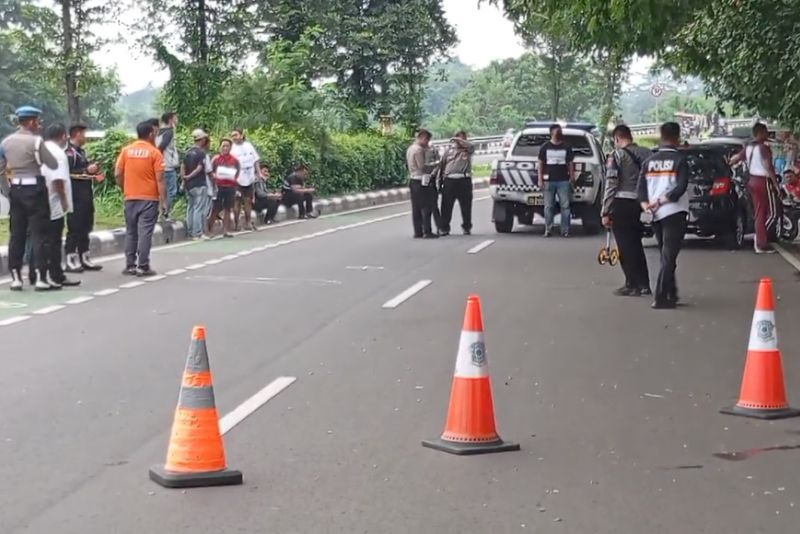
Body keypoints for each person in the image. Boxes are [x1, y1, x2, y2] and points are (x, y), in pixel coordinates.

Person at [0, 106, 59, 291]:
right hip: (35, 189)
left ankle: (16, 277)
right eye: (38, 121)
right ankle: (41, 277)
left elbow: (1, 169)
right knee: (39, 234)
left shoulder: (6, 142)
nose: (39, 124)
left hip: (15, 190)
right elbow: (52, 163)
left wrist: (7, 190)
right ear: (32, 122)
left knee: (16, 234)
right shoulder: (36, 141)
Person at [637, 122, 690, 310]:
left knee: (666, 255)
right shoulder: (680, 160)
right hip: (674, 212)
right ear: (676, 137)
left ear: (661, 136)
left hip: (655, 215)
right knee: (669, 256)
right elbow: (680, 187)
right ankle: (660, 297)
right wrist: (661, 201)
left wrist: (647, 206)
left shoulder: (649, 161)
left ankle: (671, 293)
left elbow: (640, 190)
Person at [602, 124, 652, 297]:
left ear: (617, 138)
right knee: (636, 244)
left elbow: (611, 184)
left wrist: (605, 211)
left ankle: (631, 284)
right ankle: (644, 283)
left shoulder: (617, 156)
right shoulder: (647, 153)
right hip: (640, 203)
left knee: (624, 245)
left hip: (622, 202)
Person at [115, 120, 166, 276]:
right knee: (145, 232)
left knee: (131, 232)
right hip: (149, 199)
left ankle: (130, 265)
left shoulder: (126, 151)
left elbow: (117, 173)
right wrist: (163, 201)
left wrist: (125, 188)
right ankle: (143, 266)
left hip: (130, 197)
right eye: (155, 133)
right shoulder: (155, 153)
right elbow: (160, 179)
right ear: (151, 134)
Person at [38, 123, 80, 288]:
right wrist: (64, 202)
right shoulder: (58, 154)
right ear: (63, 136)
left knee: (40, 239)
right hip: (53, 202)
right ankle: (56, 275)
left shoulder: (39, 150)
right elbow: (58, 181)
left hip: (37, 200)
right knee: (54, 240)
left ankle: (40, 274)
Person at [729, 123, 781, 253]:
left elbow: (735, 159)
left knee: (759, 212)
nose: (767, 134)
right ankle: (760, 239)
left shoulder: (748, 147)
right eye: (766, 132)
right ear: (760, 133)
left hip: (751, 180)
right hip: (763, 181)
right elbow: (768, 167)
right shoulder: (763, 148)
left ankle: (759, 240)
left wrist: (729, 162)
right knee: (773, 213)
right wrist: (776, 185)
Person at [64, 123, 103, 273]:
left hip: (86, 194)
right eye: (84, 134)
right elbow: (68, 172)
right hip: (75, 196)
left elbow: (85, 170)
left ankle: (84, 255)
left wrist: (93, 170)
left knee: (86, 226)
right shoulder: (69, 153)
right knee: (75, 227)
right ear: (77, 134)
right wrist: (86, 170)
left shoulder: (81, 152)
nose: (85, 137)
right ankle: (70, 257)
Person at [538, 124, 575, 237]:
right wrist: (540, 179)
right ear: (551, 133)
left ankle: (565, 230)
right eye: (556, 132)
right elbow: (540, 164)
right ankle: (548, 229)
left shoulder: (567, 147)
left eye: (559, 131)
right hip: (549, 180)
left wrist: (572, 177)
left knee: (565, 206)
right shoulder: (545, 147)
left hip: (563, 180)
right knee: (549, 206)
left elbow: (570, 163)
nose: (558, 133)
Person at [438, 130, 475, 236]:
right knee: (446, 206)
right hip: (450, 180)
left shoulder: (468, 150)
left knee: (466, 207)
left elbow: (471, 146)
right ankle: (444, 228)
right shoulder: (448, 151)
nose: (460, 141)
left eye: (463, 138)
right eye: (458, 138)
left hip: (464, 180)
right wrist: (440, 182)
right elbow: (442, 166)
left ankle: (466, 227)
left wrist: (460, 141)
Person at [406, 129, 439, 238]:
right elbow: (422, 167)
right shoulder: (419, 150)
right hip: (421, 180)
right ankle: (427, 231)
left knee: (416, 207)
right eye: (427, 140)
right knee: (426, 207)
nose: (427, 143)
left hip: (413, 179)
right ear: (423, 138)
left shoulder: (410, 149)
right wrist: (435, 165)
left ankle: (418, 231)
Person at [181, 129, 212, 240]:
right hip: (199, 183)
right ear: (202, 140)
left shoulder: (188, 152)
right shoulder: (201, 153)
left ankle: (190, 232)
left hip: (189, 185)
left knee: (191, 207)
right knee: (198, 208)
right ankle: (197, 233)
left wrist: (184, 179)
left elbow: (183, 166)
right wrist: (190, 176)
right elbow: (200, 168)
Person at [230, 128, 263, 231]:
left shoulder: (248, 146)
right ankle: (236, 224)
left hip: (249, 176)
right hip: (238, 177)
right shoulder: (232, 149)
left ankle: (248, 222)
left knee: (248, 201)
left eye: (236, 135)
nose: (234, 137)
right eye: (233, 136)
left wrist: (259, 173)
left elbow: (255, 161)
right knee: (237, 201)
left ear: (241, 135)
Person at [208, 138, 239, 237]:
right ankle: (209, 230)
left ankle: (225, 230)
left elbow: (237, 172)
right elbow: (210, 171)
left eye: (227, 146)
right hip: (218, 187)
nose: (225, 148)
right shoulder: (216, 159)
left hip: (230, 187)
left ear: (230, 147)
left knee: (228, 209)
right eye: (223, 146)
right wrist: (215, 178)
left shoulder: (234, 160)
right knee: (215, 208)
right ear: (220, 147)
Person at [156, 112, 180, 220]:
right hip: (168, 166)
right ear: (171, 120)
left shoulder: (158, 132)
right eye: (175, 118)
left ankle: (161, 212)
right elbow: (161, 147)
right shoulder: (169, 132)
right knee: (171, 190)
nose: (177, 120)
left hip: (160, 166)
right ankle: (166, 211)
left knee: (161, 191)